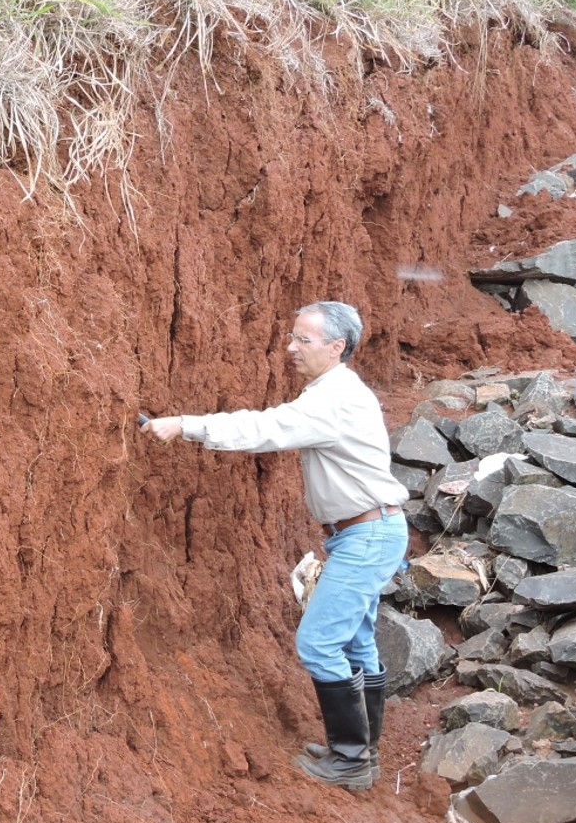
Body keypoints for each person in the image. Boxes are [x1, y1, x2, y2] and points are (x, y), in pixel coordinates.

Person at [141, 301, 409, 791]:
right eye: (292, 337)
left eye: (302, 340)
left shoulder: (336, 399)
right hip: (368, 533)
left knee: (319, 642)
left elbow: (266, 428)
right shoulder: (334, 391)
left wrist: (186, 424)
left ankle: (350, 760)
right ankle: (360, 752)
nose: (290, 348)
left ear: (336, 347)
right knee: (355, 641)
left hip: (368, 535)